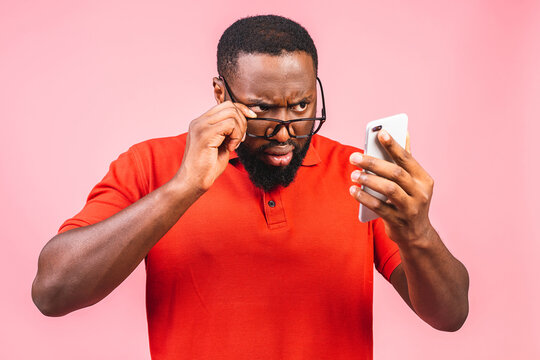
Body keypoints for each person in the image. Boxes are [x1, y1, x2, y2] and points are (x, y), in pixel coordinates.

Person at [32, 15, 469, 359]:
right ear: (221, 95)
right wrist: (183, 186)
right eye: (262, 109)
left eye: (301, 105)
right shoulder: (149, 164)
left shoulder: (358, 170)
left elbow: (449, 315)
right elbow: (53, 292)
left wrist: (417, 233)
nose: (284, 133)